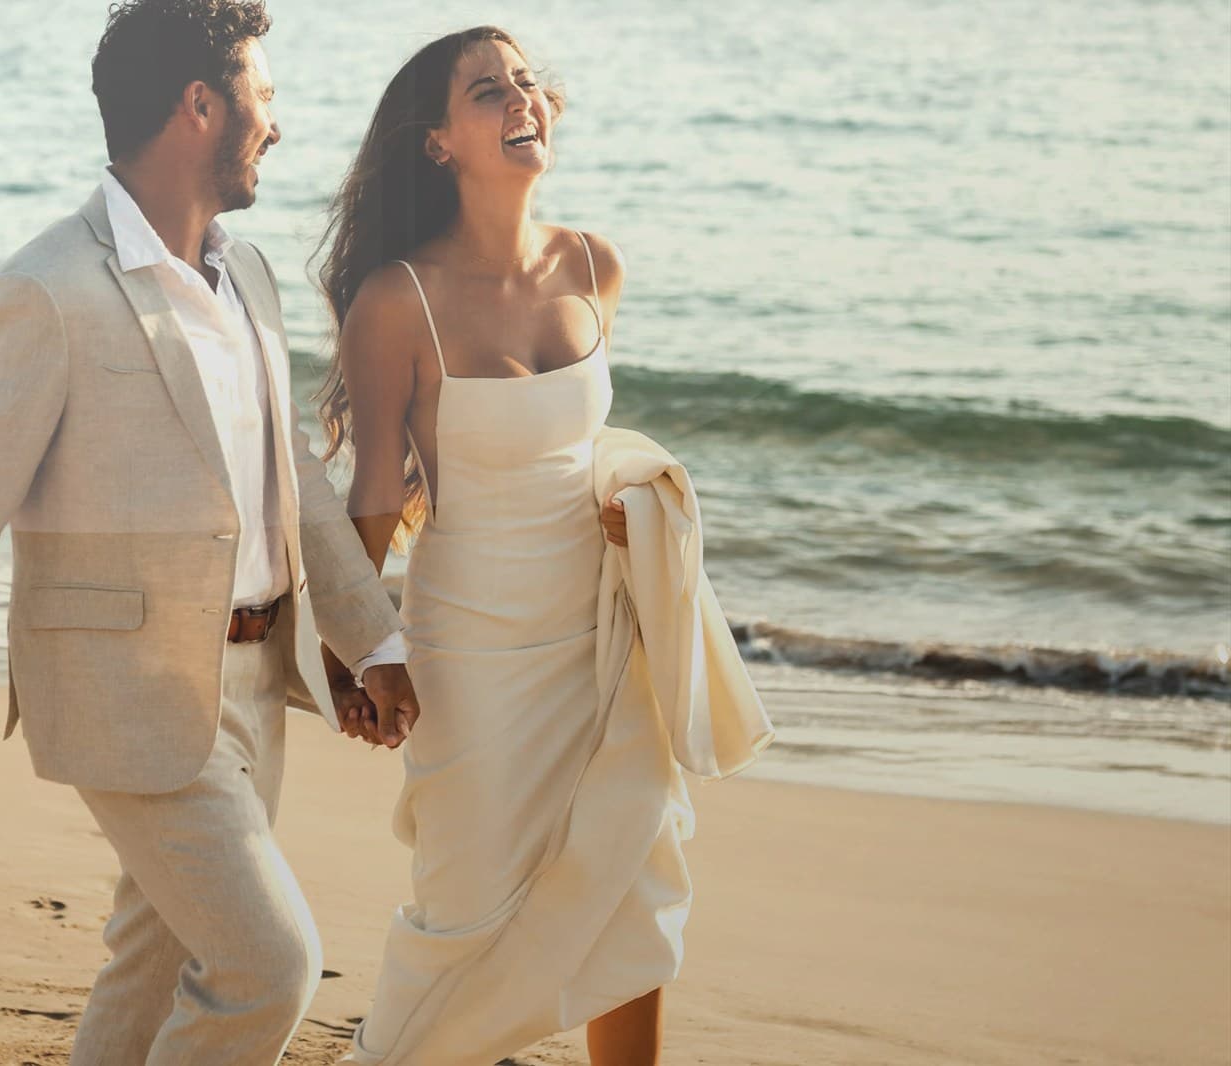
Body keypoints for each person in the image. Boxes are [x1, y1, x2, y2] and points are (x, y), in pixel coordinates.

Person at [0, 3, 420, 1063]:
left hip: (253, 687)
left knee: (154, 963)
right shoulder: (43, 292)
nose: (279, 124)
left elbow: (300, 487)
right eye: (265, 99)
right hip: (124, 690)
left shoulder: (249, 276)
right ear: (199, 105)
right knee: (270, 966)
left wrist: (377, 637)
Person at [313, 26, 770, 1066]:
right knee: (464, 910)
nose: (524, 99)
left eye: (527, 81)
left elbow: (577, 442)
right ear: (437, 142)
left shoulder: (593, 264)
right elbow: (377, 492)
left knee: (633, 887)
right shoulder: (397, 300)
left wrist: (625, 496)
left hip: (602, 637)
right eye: (488, 91)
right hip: (469, 654)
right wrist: (352, 649)